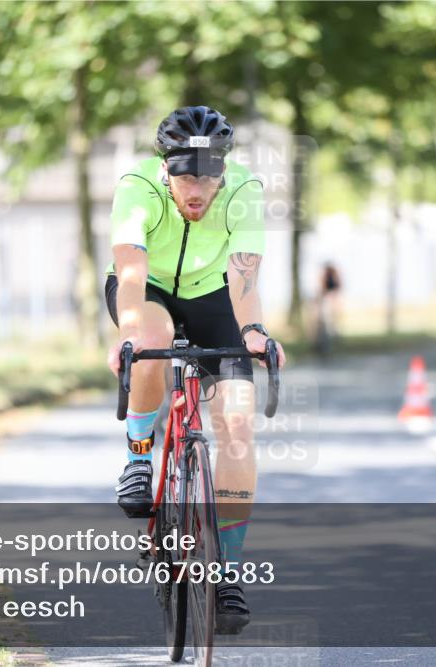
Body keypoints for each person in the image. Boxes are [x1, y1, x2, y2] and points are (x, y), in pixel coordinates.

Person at [104, 106, 286, 634]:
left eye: (209, 176)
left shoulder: (244, 190)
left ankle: (227, 571)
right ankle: (139, 457)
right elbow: (132, 271)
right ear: (166, 167)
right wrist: (128, 332)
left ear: (223, 171)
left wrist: (253, 332)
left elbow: (244, 277)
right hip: (151, 294)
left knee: (236, 422)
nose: (197, 189)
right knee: (153, 339)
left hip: (214, 298)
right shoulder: (137, 185)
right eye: (186, 175)